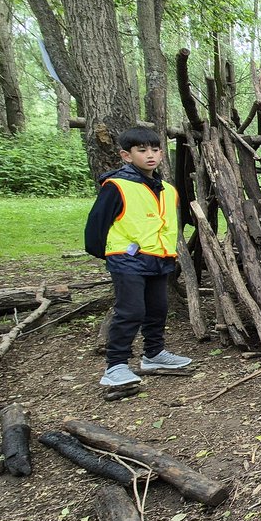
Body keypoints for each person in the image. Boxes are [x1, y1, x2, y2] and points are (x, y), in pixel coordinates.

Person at [84, 127, 193, 388]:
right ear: (126, 155)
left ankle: (153, 354)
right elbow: (96, 227)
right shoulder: (117, 186)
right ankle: (116, 366)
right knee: (131, 310)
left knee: (157, 309)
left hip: (159, 258)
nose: (150, 155)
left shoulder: (167, 189)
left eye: (155, 150)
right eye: (142, 150)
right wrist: (112, 255)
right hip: (127, 259)